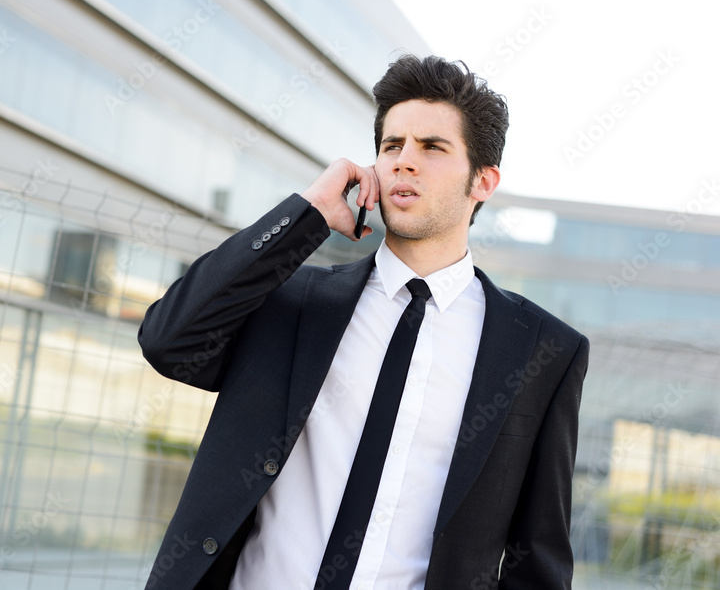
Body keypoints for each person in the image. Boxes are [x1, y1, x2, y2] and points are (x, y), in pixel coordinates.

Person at [138, 55, 589, 589]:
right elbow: (170, 341)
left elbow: (537, 560)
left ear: (483, 181)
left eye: (432, 147)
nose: (404, 161)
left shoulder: (542, 351)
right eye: (391, 145)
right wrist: (305, 213)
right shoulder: (294, 302)